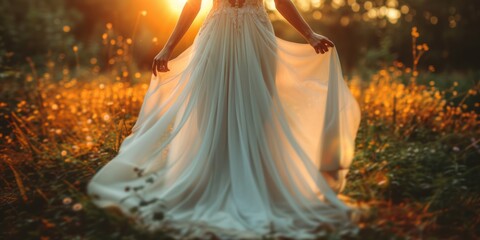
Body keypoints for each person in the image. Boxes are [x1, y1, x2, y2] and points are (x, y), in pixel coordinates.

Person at [87, 0, 363, 238]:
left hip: (256, 40)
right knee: (209, 107)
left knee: (259, 109)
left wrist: (310, 34)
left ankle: (257, 183)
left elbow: (281, 1)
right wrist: (168, 47)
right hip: (215, 40)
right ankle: (209, 178)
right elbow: (194, 3)